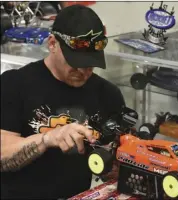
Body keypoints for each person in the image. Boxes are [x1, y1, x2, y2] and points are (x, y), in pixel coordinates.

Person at [1, 5, 125, 199]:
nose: (84, 71)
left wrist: (123, 161)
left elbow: (112, 167)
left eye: (90, 64)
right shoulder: (14, 85)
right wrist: (47, 139)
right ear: (52, 44)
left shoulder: (108, 94)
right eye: (75, 62)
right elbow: (2, 155)